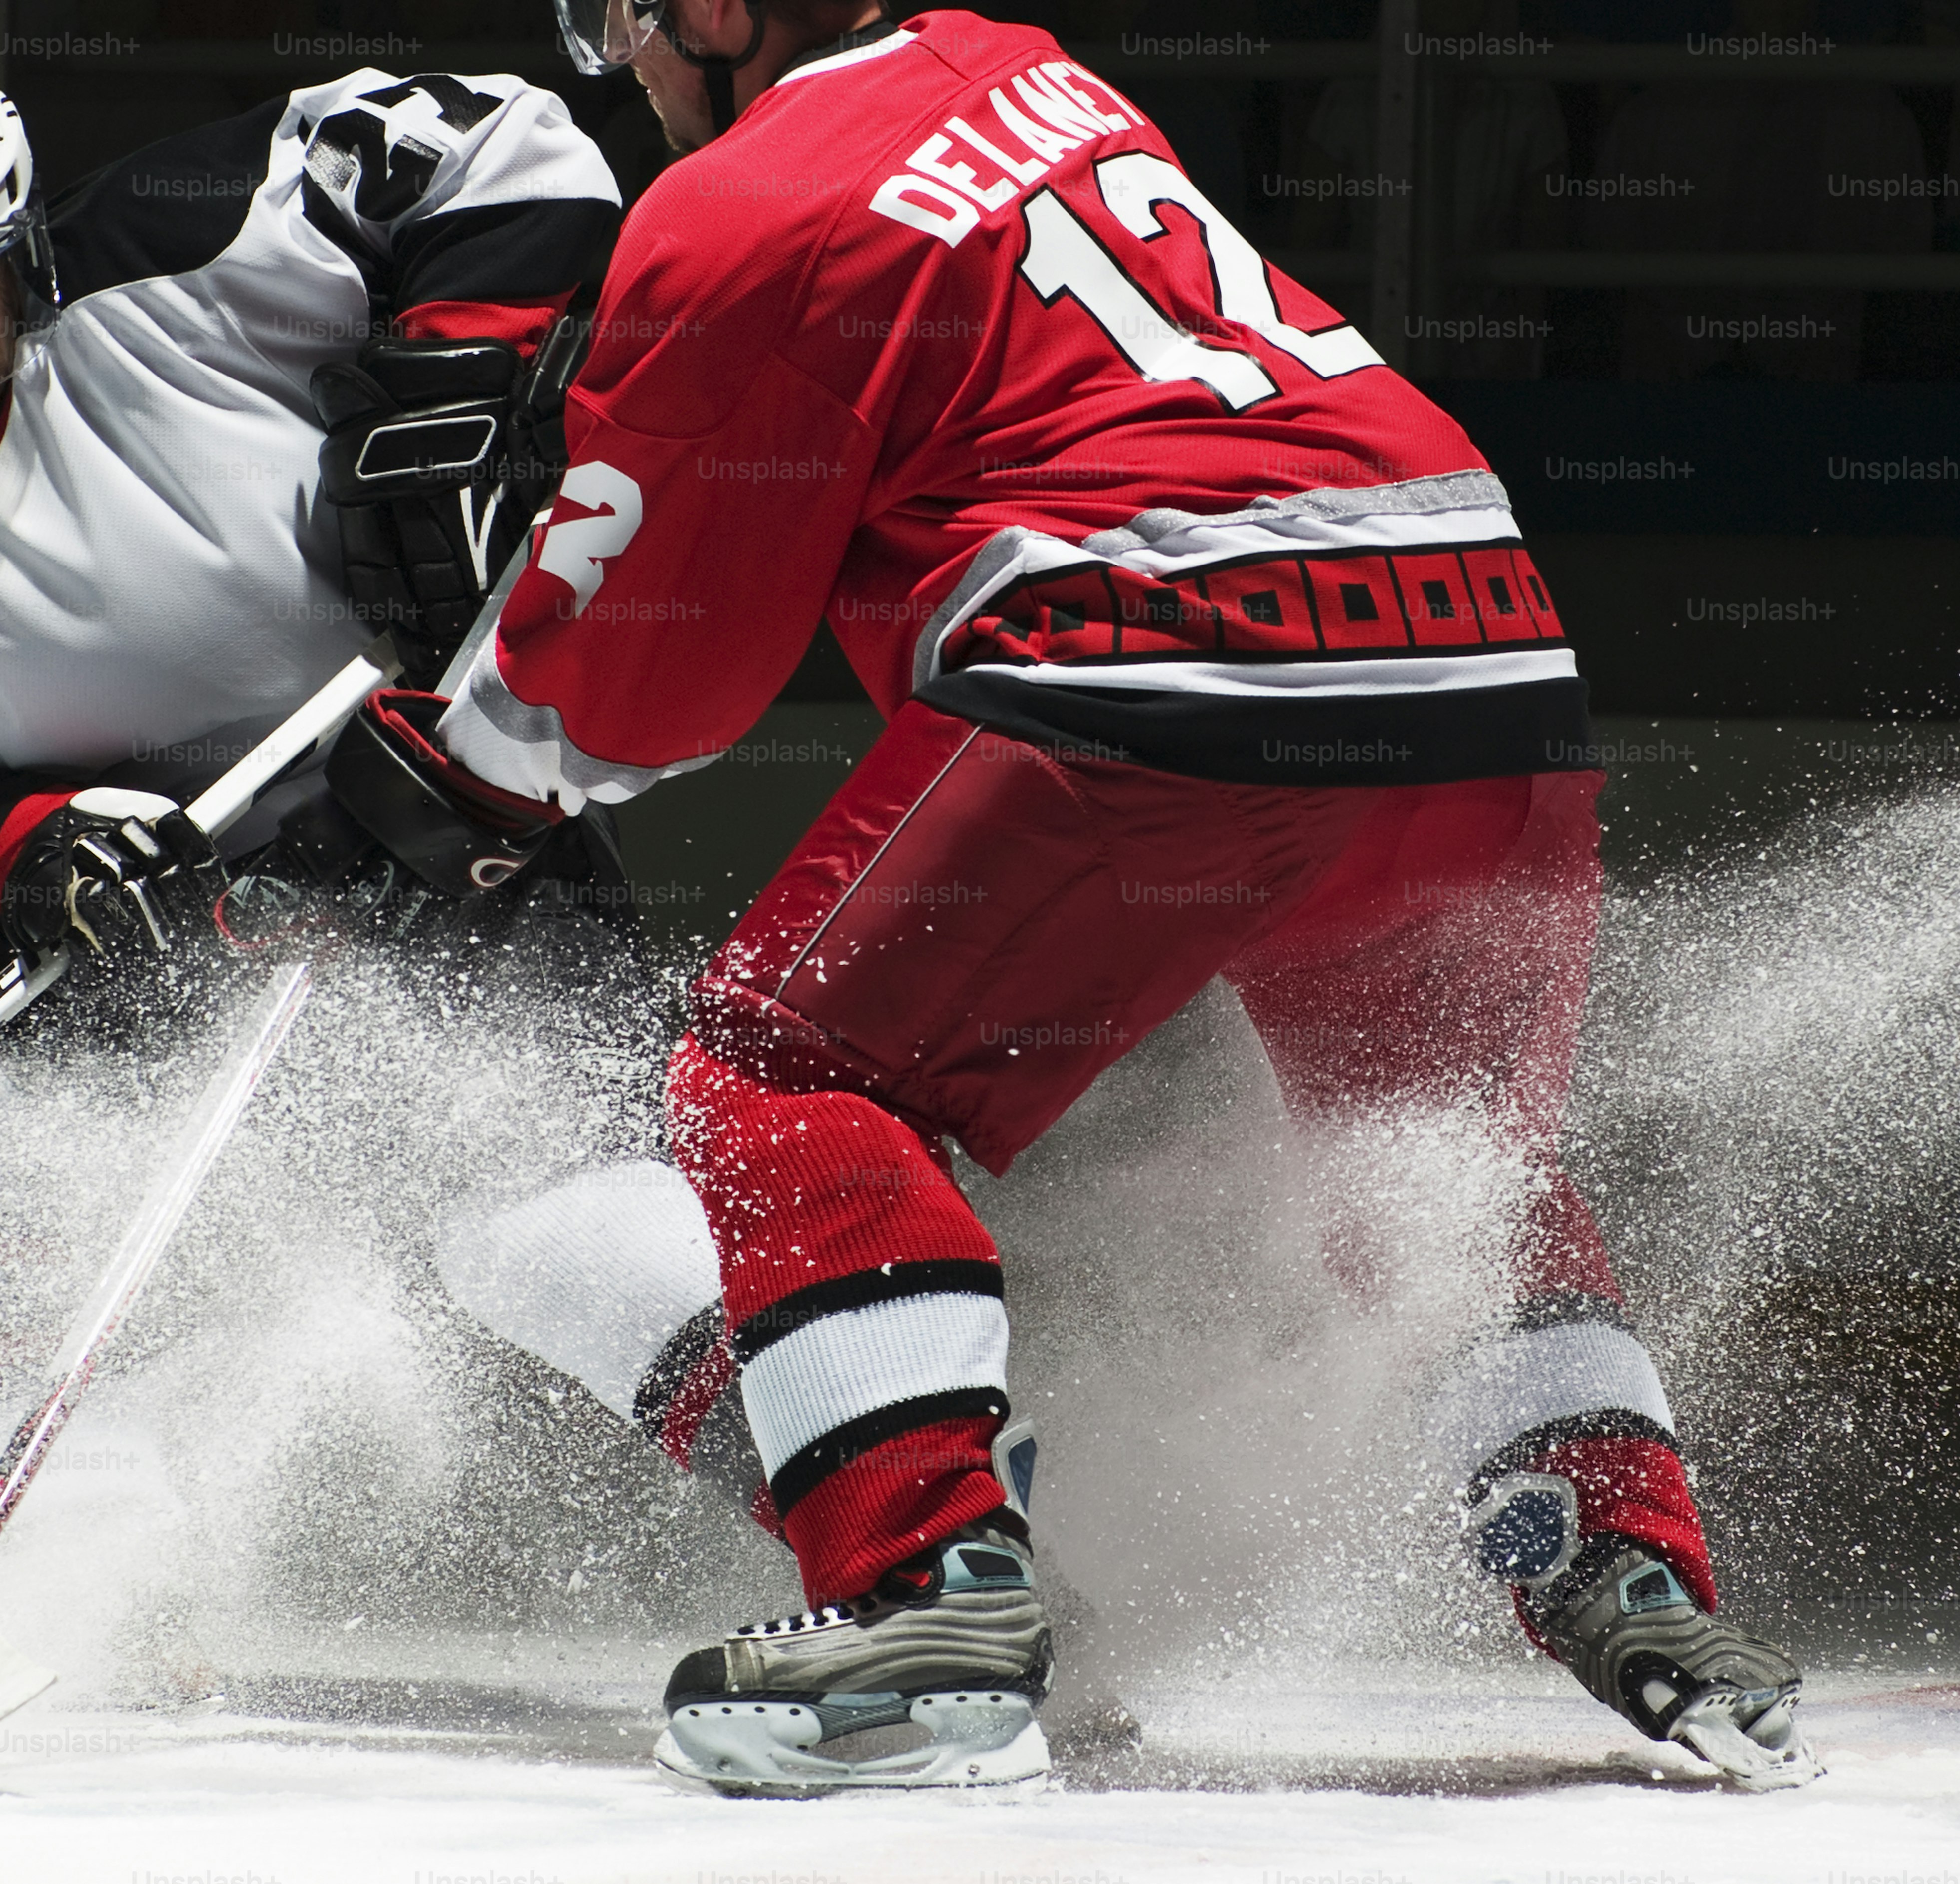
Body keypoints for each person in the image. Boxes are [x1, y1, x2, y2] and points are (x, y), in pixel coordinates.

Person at [323, 0, 1822, 1793]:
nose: (624, 65)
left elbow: (648, 671)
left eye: (631, 17)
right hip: (1480, 644)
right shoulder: (1027, 65)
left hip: (1174, 648)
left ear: (722, 11)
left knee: (781, 1070)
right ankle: (1626, 1566)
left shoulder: (737, 200)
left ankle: (925, 1605)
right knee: (1424, 1158)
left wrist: (466, 760)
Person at [0, 34, 708, 1473]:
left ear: (26, 241)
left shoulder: (189, 245)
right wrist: (41, 851)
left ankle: (888, 1504)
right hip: (146, 936)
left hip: (448, 837)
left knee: (544, 1234)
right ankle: (7, 1475)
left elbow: (505, 135)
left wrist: (462, 370)